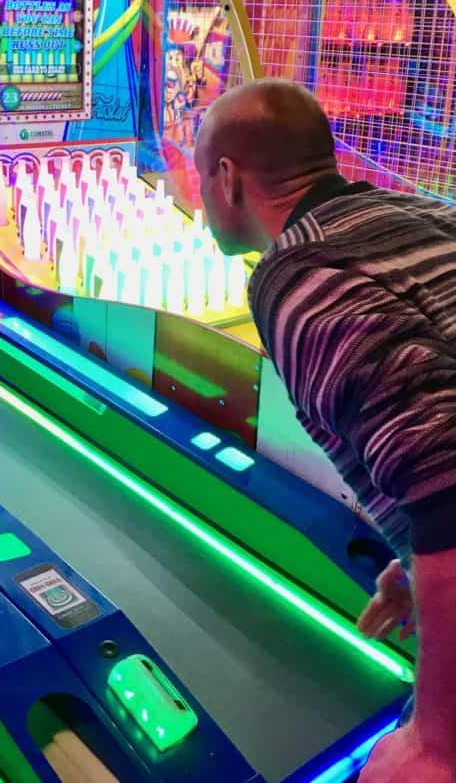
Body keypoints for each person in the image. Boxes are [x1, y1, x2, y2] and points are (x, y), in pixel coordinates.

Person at [193, 78, 456, 783]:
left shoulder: (301, 281)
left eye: (198, 178)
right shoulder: (418, 216)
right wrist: (413, 551)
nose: (198, 202)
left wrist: (437, 745)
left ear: (227, 179)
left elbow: (449, 497)